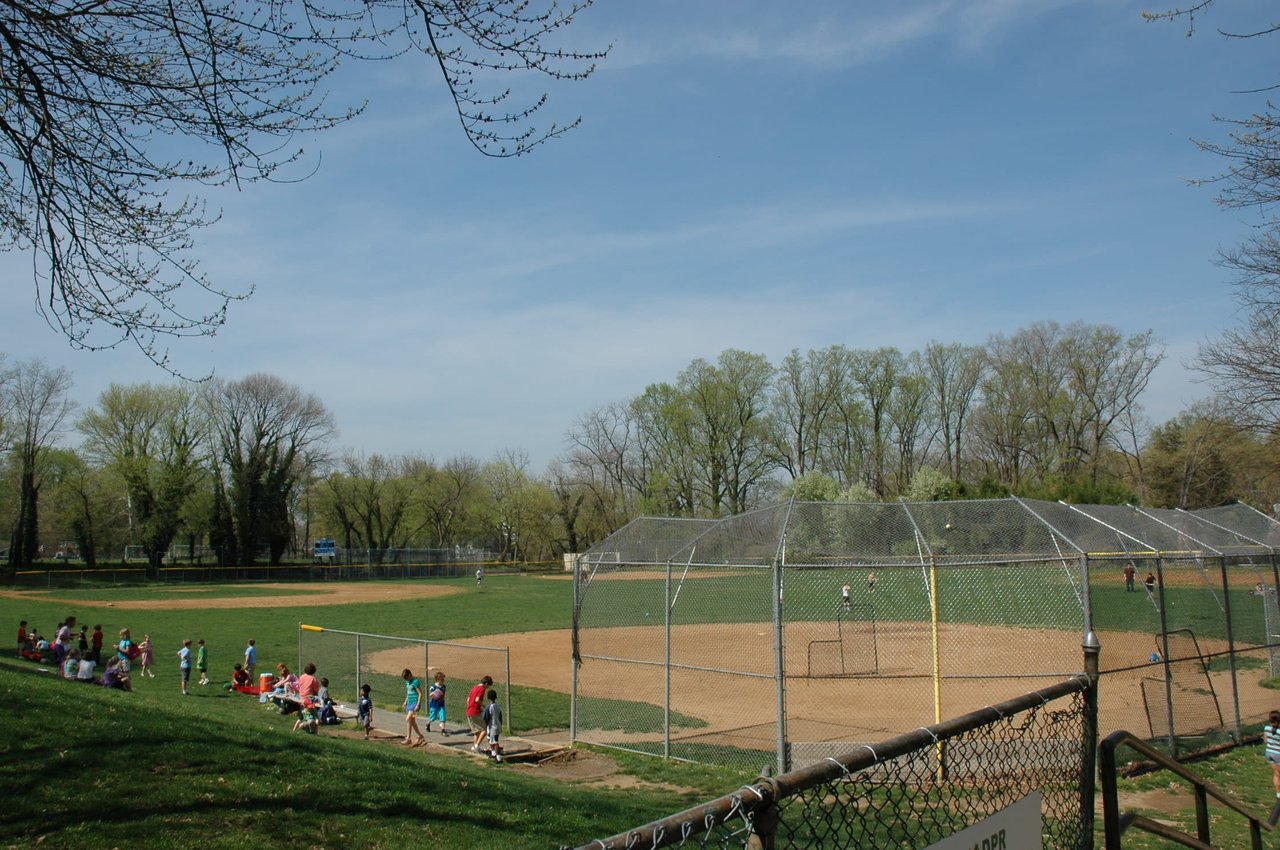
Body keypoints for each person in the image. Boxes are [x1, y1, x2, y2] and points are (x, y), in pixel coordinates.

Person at [401, 668, 427, 746]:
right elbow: (408, 693)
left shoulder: (415, 682)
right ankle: (419, 736)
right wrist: (405, 701)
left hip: (415, 704)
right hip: (409, 703)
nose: (406, 679)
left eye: (406, 677)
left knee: (408, 719)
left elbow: (420, 693)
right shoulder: (407, 682)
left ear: (410, 674)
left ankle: (408, 738)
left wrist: (418, 704)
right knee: (412, 721)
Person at [467, 675, 493, 752]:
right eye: (488, 686)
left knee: (477, 731)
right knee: (485, 729)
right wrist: (484, 707)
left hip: (469, 711)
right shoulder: (482, 689)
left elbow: (468, 700)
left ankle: (474, 746)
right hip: (475, 712)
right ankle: (476, 746)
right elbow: (477, 699)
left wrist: (472, 707)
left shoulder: (474, 687)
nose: (487, 688)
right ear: (486, 684)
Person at [482, 688, 503, 762]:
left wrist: (485, 724)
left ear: (488, 698)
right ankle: (493, 753)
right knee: (489, 738)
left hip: (493, 727)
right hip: (497, 725)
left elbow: (486, 717)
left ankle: (499, 757)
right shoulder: (498, 706)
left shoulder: (489, 707)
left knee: (494, 741)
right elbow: (500, 716)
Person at [1266, 710, 1280, 807]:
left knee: (1276, 774)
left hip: (1269, 753)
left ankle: (1278, 793)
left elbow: (1266, 740)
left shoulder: (1266, 728)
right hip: (1278, 754)